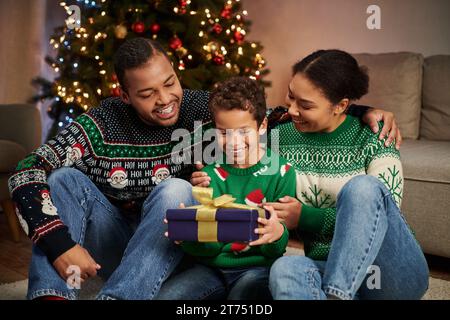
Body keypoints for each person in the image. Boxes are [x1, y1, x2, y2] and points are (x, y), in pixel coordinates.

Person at [8, 36, 401, 300]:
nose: (165, 100)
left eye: (170, 83)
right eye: (146, 94)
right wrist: (60, 245)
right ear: (124, 94)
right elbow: (27, 170)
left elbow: (273, 116)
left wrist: (358, 111)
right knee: (62, 177)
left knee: (174, 191)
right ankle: (51, 295)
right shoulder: (100, 123)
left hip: (166, 250)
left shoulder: (199, 109)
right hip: (115, 243)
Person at [264, 49, 428, 300]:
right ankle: (339, 292)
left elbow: (379, 217)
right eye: (291, 96)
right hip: (327, 267)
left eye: (305, 105)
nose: (293, 109)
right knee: (286, 268)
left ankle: (336, 295)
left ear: (341, 105)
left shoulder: (375, 134)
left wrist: (306, 217)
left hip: (389, 275)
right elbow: (237, 117)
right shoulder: (279, 133)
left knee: (362, 188)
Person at [157, 77, 296, 300]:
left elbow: (275, 249)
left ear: (262, 126)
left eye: (243, 131)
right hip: (210, 269)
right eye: (223, 133)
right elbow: (210, 249)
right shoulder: (209, 177)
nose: (233, 142)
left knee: (242, 297)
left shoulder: (282, 173)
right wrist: (191, 235)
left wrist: (277, 234)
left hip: (256, 269)